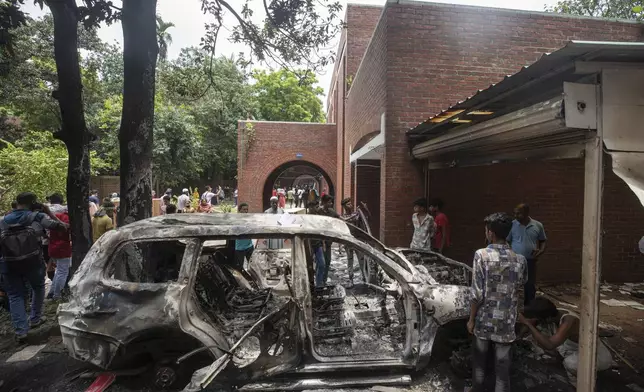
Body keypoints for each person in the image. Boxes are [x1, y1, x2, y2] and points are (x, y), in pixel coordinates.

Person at [468, 212, 527, 392]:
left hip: (484, 320)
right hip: (506, 323)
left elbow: (477, 293)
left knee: (479, 364)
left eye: (486, 230)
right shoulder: (520, 260)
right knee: (503, 371)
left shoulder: (482, 255)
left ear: (491, 233)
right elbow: (520, 286)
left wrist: (471, 319)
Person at [0, 192, 68, 343]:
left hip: (9, 263)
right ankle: (35, 319)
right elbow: (61, 227)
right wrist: (48, 212)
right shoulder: (36, 217)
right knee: (38, 288)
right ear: (33, 203)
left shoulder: (2, 221)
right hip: (32, 261)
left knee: (15, 295)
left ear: (17, 202)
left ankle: (21, 331)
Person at [518, 297, 614, 384]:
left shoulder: (568, 321)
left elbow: (550, 345)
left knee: (569, 363)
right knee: (537, 337)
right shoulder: (552, 314)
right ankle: (563, 361)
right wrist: (520, 335)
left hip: (596, 356)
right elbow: (529, 325)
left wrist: (528, 324)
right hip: (574, 349)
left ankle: (578, 384)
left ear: (548, 318)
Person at [507, 203, 547, 305]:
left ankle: (529, 307)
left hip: (530, 260)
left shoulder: (537, 225)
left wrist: (541, 250)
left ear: (526, 213)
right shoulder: (512, 225)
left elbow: (543, 240)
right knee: (512, 283)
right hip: (515, 260)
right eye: (515, 213)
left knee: (529, 285)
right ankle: (511, 306)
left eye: (519, 214)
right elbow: (507, 240)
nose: (516, 216)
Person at [46, 193, 71, 301]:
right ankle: (57, 295)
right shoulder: (65, 217)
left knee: (58, 271)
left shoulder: (51, 218)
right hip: (63, 247)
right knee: (62, 272)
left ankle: (52, 292)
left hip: (52, 245)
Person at [341, 197, 371, 283]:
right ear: (343, 206)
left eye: (350, 204)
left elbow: (367, 220)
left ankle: (364, 278)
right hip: (348, 241)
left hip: (358, 240)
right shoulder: (343, 217)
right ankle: (351, 279)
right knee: (350, 260)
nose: (350, 206)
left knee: (361, 260)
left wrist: (366, 209)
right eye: (348, 204)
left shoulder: (357, 214)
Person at [318, 195, 341, 284]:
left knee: (327, 261)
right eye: (329, 202)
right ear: (324, 202)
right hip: (319, 242)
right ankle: (319, 281)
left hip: (328, 242)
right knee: (321, 263)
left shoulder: (331, 212)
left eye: (331, 202)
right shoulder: (319, 211)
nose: (331, 204)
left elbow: (341, 219)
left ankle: (324, 280)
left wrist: (351, 218)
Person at [234, 203, 254, 270]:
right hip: (240, 248)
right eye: (244, 209)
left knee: (253, 266)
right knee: (239, 267)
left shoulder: (249, 219)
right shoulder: (236, 220)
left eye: (247, 210)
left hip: (249, 246)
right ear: (239, 210)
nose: (246, 211)